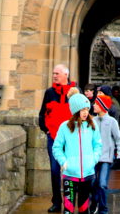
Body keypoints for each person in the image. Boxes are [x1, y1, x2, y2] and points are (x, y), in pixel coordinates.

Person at [53, 93, 102, 214]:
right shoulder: (64, 127)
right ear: (75, 111)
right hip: (69, 174)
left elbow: (98, 145)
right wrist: (63, 162)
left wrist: (94, 159)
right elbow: (57, 148)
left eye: (87, 109)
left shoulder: (92, 125)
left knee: (84, 209)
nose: (85, 112)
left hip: (87, 174)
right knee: (68, 210)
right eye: (82, 109)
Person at [39, 64, 77, 213]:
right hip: (53, 138)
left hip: (71, 138)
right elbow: (42, 113)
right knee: (55, 171)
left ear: (65, 75)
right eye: (53, 73)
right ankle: (56, 202)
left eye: (57, 73)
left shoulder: (75, 92)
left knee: (70, 171)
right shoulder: (49, 92)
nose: (54, 76)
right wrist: (46, 129)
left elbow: (80, 113)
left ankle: (70, 202)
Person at [92, 93, 120, 214]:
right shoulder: (92, 120)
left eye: (96, 103)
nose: (93, 105)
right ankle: (94, 202)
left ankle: (103, 209)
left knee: (102, 184)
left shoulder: (112, 122)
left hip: (106, 158)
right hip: (93, 158)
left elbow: (118, 139)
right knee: (92, 183)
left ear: (102, 106)